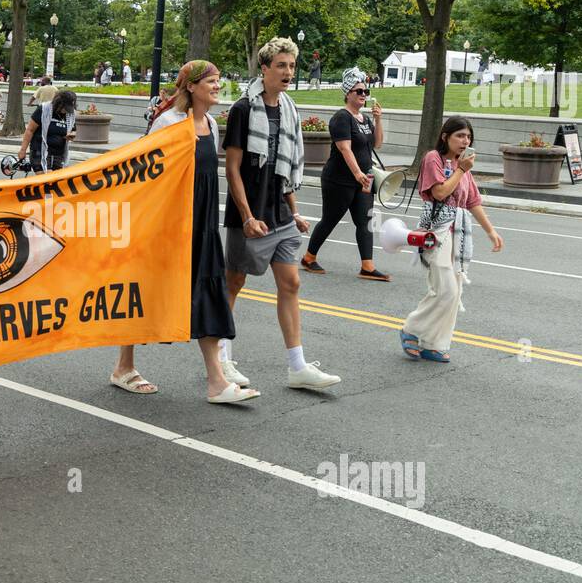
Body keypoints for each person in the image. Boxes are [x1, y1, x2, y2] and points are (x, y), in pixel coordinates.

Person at [110, 61, 258, 404]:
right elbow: (146, 174)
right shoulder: (168, 123)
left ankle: (216, 382)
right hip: (168, 225)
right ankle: (123, 367)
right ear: (191, 86)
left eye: (219, 80)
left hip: (202, 223)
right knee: (148, 291)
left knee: (209, 291)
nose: (218, 86)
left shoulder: (210, 124)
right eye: (211, 81)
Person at [222, 37, 340, 391]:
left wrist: (295, 212)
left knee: (291, 283)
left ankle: (298, 366)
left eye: (292, 66)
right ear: (265, 69)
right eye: (281, 66)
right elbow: (232, 169)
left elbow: (285, 169)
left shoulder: (289, 109)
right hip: (250, 215)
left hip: (280, 214)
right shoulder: (244, 109)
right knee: (234, 284)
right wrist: (245, 216)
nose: (288, 72)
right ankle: (223, 359)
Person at [399, 117, 505, 363]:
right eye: (459, 135)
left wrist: (491, 231)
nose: (464, 141)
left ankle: (434, 343)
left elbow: (473, 201)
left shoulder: (462, 166)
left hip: (459, 232)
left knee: (454, 292)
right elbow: (439, 192)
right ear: (445, 136)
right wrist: (461, 170)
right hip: (436, 230)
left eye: (468, 137)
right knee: (444, 288)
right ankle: (411, 329)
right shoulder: (433, 159)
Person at [302, 67, 390, 281]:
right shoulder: (341, 118)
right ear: (348, 93)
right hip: (339, 180)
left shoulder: (365, 119)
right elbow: (345, 149)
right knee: (331, 219)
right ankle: (308, 257)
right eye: (358, 91)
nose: (363, 95)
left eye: (365, 92)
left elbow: (376, 144)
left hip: (363, 180)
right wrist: (357, 173)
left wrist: (378, 119)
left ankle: (367, 266)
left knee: (364, 220)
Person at [17, 88, 76, 173]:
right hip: (40, 151)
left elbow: (73, 130)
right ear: (59, 103)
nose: (66, 110)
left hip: (58, 154)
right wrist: (23, 150)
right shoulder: (44, 110)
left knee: (56, 181)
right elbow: (30, 130)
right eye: (65, 107)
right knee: (48, 178)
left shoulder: (70, 115)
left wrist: (71, 135)